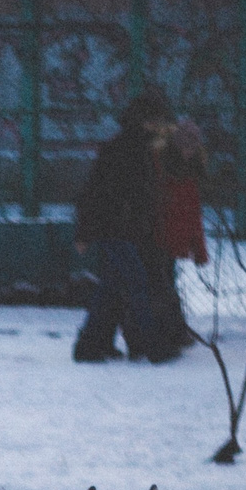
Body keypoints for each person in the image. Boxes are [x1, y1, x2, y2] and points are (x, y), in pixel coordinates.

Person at [72, 92, 178, 364]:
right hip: (120, 227)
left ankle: (92, 344)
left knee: (113, 286)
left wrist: (86, 231)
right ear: (145, 122)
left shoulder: (128, 148)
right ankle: (153, 345)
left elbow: (95, 191)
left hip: (118, 227)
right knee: (135, 284)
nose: (159, 126)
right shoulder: (132, 150)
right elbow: (101, 192)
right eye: (155, 121)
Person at [148, 120, 209, 351]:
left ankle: (170, 333)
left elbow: (192, 213)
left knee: (162, 287)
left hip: (170, 238)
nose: (189, 151)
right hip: (158, 236)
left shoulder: (184, 170)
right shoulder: (165, 167)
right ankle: (171, 333)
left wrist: (199, 250)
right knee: (163, 288)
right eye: (186, 146)